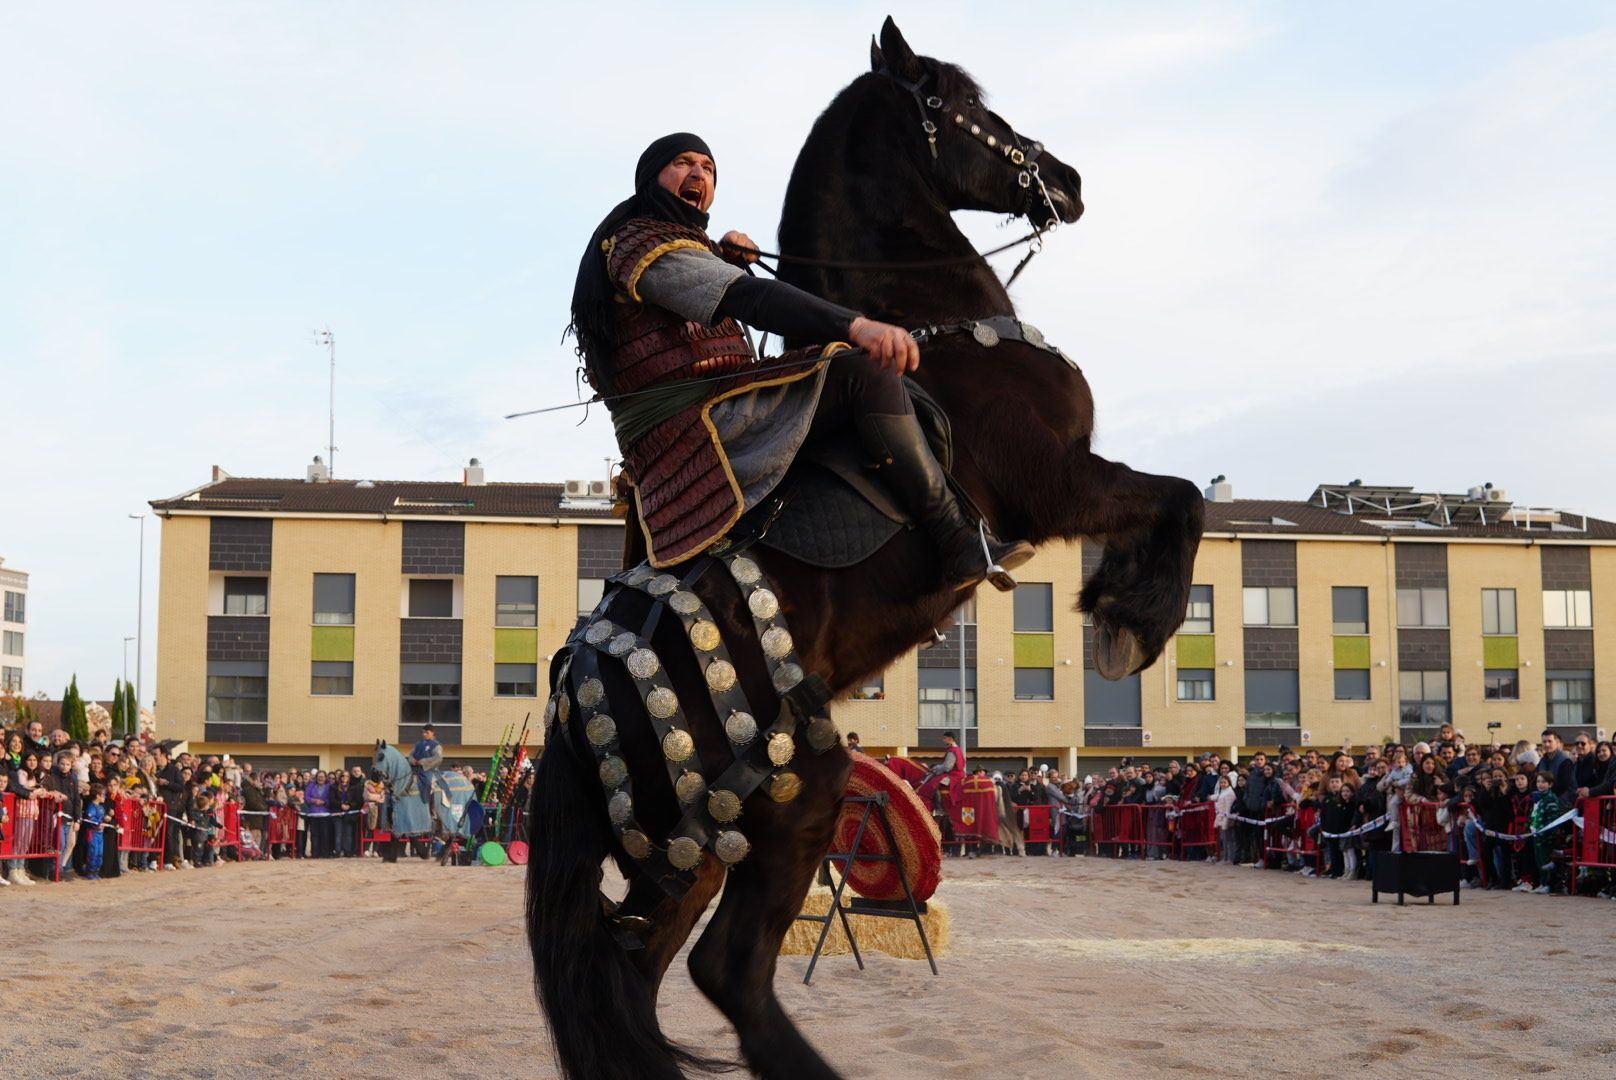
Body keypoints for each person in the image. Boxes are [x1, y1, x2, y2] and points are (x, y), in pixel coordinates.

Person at [569, 133, 1033, 588]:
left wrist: (724, 255)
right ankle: (954, 540)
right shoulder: (641, 245)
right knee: (864, 374)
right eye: (683, 163)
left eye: (708, 168)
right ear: (652, 178)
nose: (698, 174)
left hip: (721, 404)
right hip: (698, 425)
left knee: (895, 393)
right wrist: (857, 326)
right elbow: (745, 296)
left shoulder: (678, 245)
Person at [411, 724, 443, 806]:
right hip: (414, 768)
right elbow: (411, 755)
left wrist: (423, 761)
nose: (424, 734)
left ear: (432, 733)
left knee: (427, 783)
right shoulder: (418, 744)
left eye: (427, 732)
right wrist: (412, 760)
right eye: (423, 732)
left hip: (428, 770)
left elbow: (438, 758)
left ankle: (427, 804)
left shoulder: (436, 745)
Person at [83, 783, 109, 880]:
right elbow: (90, 819)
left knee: (100, 853)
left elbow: (101, 817)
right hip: (92, 833)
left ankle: (96, 871)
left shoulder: (101, 807)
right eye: (103, 795)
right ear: (98, 796)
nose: (104, 797)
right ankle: (90, 872)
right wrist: (98, 823)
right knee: (93, 852)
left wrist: (105, 819)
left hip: (100, 834)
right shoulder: (92, 807)